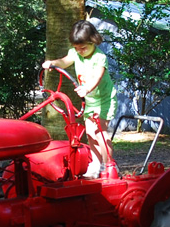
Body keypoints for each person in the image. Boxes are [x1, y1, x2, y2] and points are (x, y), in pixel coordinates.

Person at [42, 19, 118, 178]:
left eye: (83, 47)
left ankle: (109, 166)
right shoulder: (75, 53)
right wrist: (52, 63)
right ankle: (96, 164)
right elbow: (63, 62)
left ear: (93, 41)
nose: (80, 51)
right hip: (90, 101)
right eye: (77, 48)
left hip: (104, 100)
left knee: (100, 132)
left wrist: (87, 88)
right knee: (90, 133)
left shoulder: (99, 57)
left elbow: (98, 76)